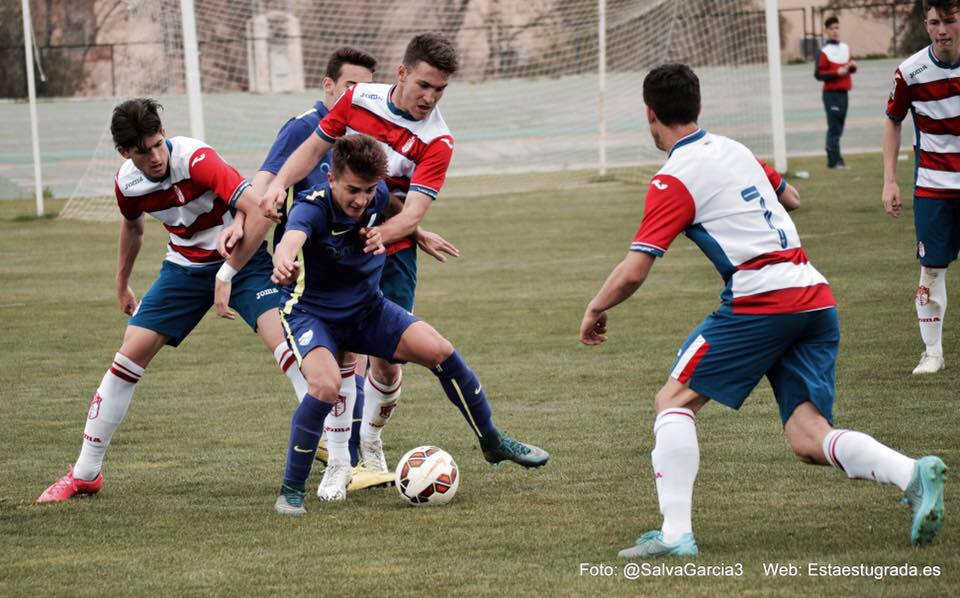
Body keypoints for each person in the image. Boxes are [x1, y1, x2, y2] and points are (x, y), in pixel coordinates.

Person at [579, 64, 947, 557]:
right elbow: (790, 197)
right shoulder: (735, 149)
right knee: (807, 437)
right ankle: (912, 474)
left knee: (673, 402)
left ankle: (674, 536)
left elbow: (634, 271)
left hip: (762, 299)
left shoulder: (672, 178)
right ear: (698, 107)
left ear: (650, 114)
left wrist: (596, 306)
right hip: (814, 295)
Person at [37, 98, 304, 502]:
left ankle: (337, 459)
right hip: (182, 269)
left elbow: (257, 209)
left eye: (159, 144)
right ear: (126, 153)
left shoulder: (197, 159)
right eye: (144, 151)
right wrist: (122, 282)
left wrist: (232, 248)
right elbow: (134, 228)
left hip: (243, 264)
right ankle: (85, 473)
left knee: (285, 345)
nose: (156, 156)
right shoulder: (127, 184)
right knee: (127, 357)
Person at [270, 134, 548, 513]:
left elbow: (393, 207)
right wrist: (283, 259)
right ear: (331, 179)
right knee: (325, 385)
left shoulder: (378, 196)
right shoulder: (311, 208)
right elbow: (291, 239)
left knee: (441, 352)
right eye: (352, 189)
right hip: (311, 313)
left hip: (368, 310)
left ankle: (492, 440)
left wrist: (416, 231)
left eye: (368, 190)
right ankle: (292, 490)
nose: (361, 200)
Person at [244, 46, 458, 491]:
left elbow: (399, 206)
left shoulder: (437, 139)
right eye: (424, 85)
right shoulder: (336, 114)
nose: (431, 97)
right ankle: (341, 461)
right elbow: (283, 170)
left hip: (390, 246)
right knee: (340, 358)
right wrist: (270, 198)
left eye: (440, 89)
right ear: (401, 75)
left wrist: (409, 233)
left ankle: (372, 441)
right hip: (332, 254)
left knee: (385, 364)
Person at [883, 0, 960, 375]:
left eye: (949, 21)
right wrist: (889, 181)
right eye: (934, 22)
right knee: (931, 270)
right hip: (934, 186)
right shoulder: (910, 72)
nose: (942, 30)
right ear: (925, 24)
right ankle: (932, 353)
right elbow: (893, 120)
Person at [815, 15, 856, 169]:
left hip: (844, 93)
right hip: (831, 94)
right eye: (831, 28)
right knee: (834, 128)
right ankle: (834, 161)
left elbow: (849, 65)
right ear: (826, 31)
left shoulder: (845, 48)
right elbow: (818, 75)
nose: (835, 31)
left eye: (837, 28)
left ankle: (835, 159)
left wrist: (852, 67)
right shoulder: (824, 51)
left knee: (839, 127)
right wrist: (835, 74)